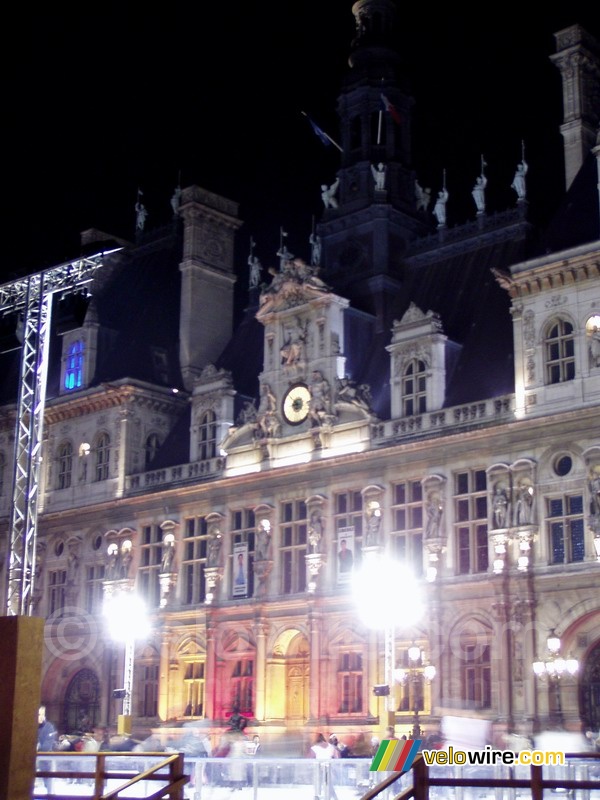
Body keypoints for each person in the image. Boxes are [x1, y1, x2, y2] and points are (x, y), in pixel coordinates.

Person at [310, 733, 339, 800]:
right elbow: (337, 758)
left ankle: (318, 797)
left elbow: (309, 760)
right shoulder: (331, 747)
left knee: (319, 784)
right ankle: (334, 797)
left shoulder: (314, 748)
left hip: (319, 768)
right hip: (329, 768)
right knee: (329, 784)